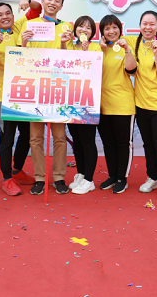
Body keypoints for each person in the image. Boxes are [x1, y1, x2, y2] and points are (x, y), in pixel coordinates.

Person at [0, 0, 40, 196]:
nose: (4, 17)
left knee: (28, 136)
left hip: (28, 94)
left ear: (13, 15)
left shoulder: (21, 25)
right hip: (7, 97)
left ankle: (17, 170)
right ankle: (7, 179)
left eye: (7, 13)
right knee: (7, 139)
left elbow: (38, 9)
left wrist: (28, 1)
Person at [16, 0, 73, 195]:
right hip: (36, 88)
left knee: (59, 137)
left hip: (58, 88)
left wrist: (65, 44)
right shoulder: (31, 24)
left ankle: (59, 177)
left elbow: (71, 60)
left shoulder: (67, 27)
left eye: (57, 0)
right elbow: (21, 58)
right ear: (43, 1)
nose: (53, 3)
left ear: (61, 6)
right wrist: (23, 42)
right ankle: (40, 177)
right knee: (36, 138)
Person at [126, 11, 157, 202]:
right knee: (148, 143)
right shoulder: (134, 42)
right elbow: (113, 40)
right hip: (141, 102)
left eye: (152, 24)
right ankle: (153, 177)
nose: (148, 27)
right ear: (140, 25)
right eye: (144, 23)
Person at [97, 14, 137, 194]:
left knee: (123, 143)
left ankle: (122, 178)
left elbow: (132, 70)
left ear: (120, 30)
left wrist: (127, 49)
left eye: (114, 27)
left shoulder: (125, 48)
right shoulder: (99, 49)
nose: (111, 31)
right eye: (107, 28)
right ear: (102, 32)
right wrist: (98, 50)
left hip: (122, 105)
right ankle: (112, 175)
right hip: (102, 105)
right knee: (108, 143)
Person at [64, 15, 103, 195]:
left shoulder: (96, 48)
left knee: (87, 140)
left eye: (88, 28)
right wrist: (62, 44)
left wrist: (87, 54)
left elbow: (94, 73)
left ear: (92, 32)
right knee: (77, 140)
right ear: (75, 29)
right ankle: (80, 173)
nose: (84, 30)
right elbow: (62, 68)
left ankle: (89, 179)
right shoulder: (70, 45)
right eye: (81, 26)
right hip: (70, 100)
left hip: (87, 101)